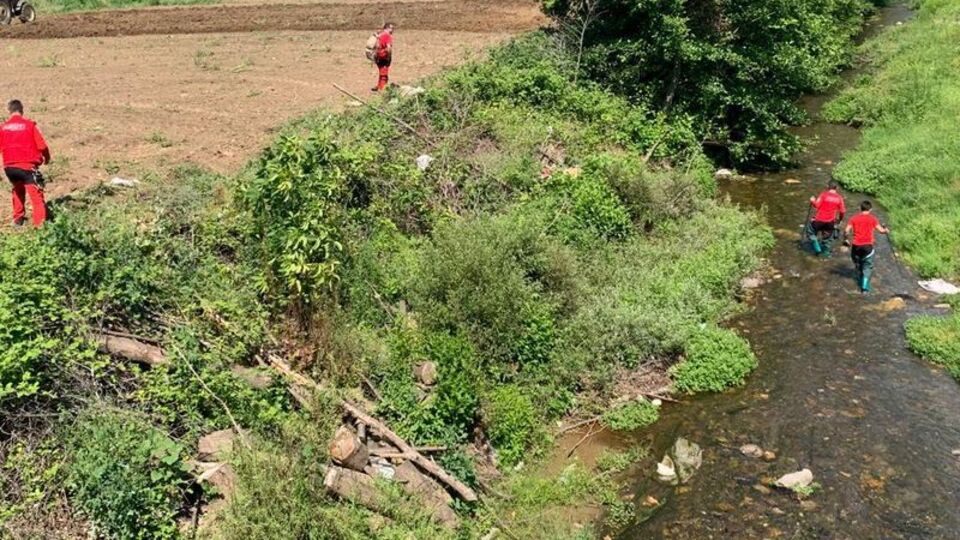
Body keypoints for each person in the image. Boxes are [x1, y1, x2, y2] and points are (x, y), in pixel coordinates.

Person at [0, 99, 50, 228]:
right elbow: (42, 146)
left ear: (9, 111)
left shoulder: (3, 128)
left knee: (18, 190)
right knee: (37, 197)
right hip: (27, 167)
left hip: (10, 168)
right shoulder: (29, 125)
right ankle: (40, 227)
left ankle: (18, 220)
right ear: (21, 110)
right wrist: (47, 158)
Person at [844, 200, 889, 294]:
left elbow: (846, 230)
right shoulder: (873, 219)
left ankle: (860, 278)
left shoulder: (854, 218)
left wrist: (846, 238)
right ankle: (864, 288)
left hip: (856, 246)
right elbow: (881, 230)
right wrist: (886, 230)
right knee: (867, 266)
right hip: (868, 246)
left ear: (860, 208)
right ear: (870, 209)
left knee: (858, 264)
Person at [806, 180, 846, 257]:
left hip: (818, 220)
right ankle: (826, 254)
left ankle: (816, 247)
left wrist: (813, 200)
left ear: (827, 186)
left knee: (810, 232)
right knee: (827, 238)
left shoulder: (823, 195)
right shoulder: (839, 198)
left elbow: (817, 205)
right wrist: (840, 220)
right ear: (836, 188)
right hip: (830, 222)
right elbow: (842, 211)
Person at [372, 22, 395, 92]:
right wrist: (388, 57)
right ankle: (382, 89)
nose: (393, 30)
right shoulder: (387, 36)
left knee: (381, 71)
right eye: (392, 28)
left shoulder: (380, 35)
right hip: (383, 57)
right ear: (387, 28)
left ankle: (379, 86)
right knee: (384, 74)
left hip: (378, 56)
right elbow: (388, 48)